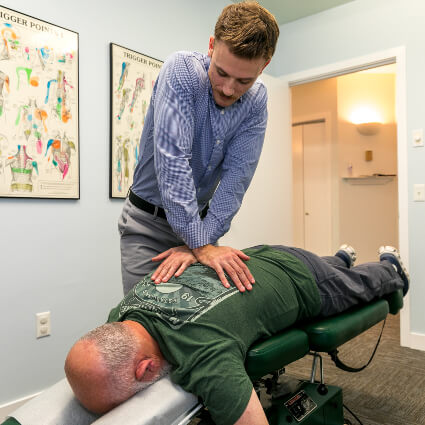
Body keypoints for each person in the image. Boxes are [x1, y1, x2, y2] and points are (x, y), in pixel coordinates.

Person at [65, 244, 409, 425]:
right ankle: (339, 258)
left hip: (306, 282)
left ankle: (391, 266)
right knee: (326, 266)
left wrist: (390, 272)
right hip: (260, 256)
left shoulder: (206, 357)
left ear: (146, 369)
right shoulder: (123, 312)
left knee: (360, 285)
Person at [118, 2, 280, 295]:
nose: (229, 89)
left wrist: (197, 244)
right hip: (148, 229)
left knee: (202, 325)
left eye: (244, 80)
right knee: (145, 326)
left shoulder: (256, 102)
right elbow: (173, 164)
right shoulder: (181, 71)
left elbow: (236, 181)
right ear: (211, 46)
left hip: (204, 230)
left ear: (264, 66)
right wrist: (201, 245)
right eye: (221, 73)